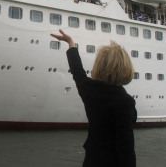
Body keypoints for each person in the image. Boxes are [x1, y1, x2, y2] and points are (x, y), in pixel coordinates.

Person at [50, 29, 137, 167]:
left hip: (92, 160)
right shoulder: (125, 101)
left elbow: (77, 70)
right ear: (125, 68)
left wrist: (71, 44)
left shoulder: (89, 89)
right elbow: (125, 146)